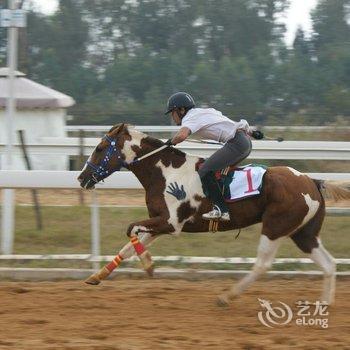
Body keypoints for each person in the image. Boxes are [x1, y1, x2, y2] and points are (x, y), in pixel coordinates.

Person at [164, 91, 263, 221]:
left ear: (181, 110)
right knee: (215, 172)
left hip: (237, 144)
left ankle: (222, 210)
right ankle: (228, 204)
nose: (172, 116)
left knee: (204, 170)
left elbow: (181, 135)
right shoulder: (204, 112)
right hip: (244, 141)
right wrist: (251, 132)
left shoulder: (190, 117)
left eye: (173, 112)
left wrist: (170, 142)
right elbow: (229, 123)